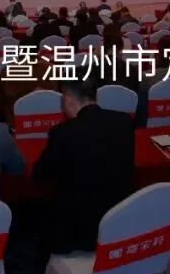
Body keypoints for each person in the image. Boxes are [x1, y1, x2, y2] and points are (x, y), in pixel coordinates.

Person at [33, 77, 136, 254]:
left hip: (76, 232)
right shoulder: (124, 122)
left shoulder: (63, 133)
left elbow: (41, 176)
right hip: (118, 224)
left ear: (68, 99)